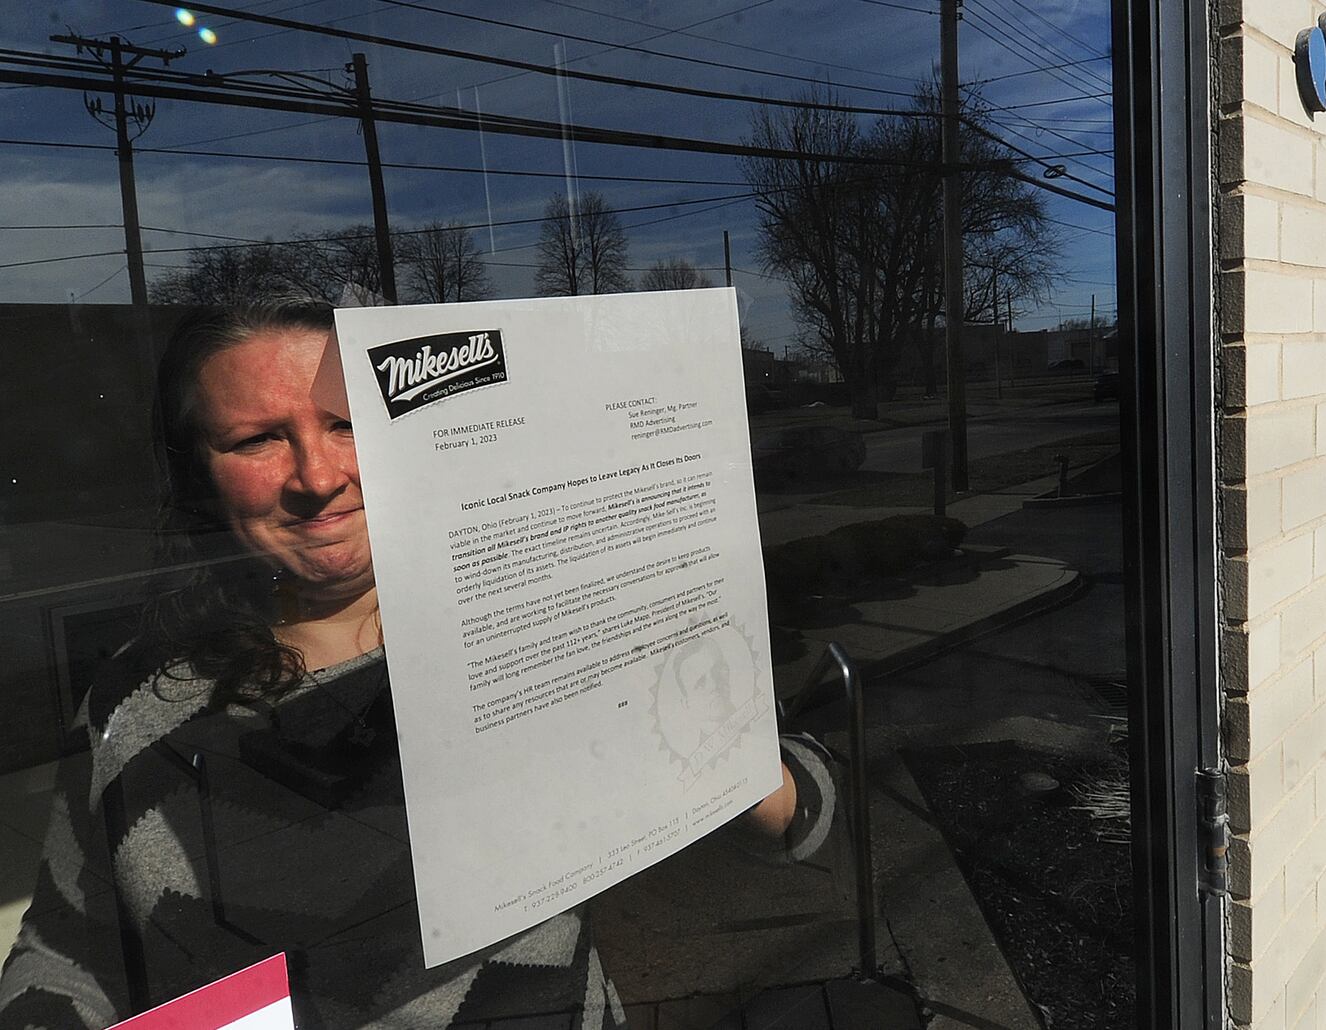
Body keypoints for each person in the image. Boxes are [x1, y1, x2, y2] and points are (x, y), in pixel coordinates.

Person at [0, 299, 834, 1029]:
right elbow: (67, 949)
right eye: (257, 439)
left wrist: (724, 752)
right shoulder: (142, 696)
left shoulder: (522, 619)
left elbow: (807, 811)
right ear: (198, 476)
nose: (318, 477)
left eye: (347, 423)